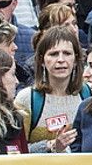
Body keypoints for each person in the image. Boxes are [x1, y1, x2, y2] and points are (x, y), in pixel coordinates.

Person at [14, 26, 86, 154]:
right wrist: (50, 146)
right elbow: (17, 150)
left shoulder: (89, 94)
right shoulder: (26, 99)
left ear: (75, 59)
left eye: (67, 53)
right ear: (42, 60)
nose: (61, 60)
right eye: (53, 54)